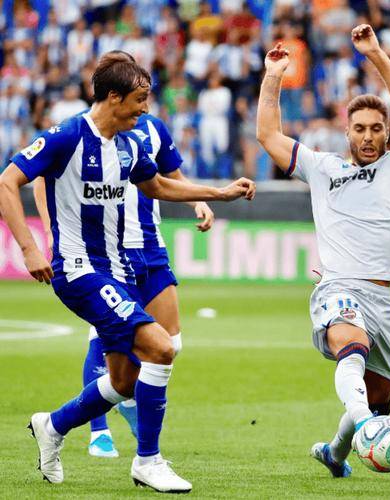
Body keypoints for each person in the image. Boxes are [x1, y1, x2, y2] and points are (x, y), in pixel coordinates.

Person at [0, 55, 255, 493]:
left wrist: (218, 192)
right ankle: (148, 461)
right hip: (79, 270)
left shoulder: (130, 142)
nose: (145, 108)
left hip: (121, 270)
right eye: (139, 99)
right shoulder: (66, 136)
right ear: (114, 97)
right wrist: (29, 247)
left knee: (123, 381)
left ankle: (52, 425)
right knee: (161, 347)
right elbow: (7, 182)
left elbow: (157, 185)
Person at [256, 25, 390, 478]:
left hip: (382, 298)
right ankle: (366, 426)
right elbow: (268, 135)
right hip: (338, 287)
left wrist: (374, 53)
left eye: (376, 129)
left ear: (387, 133)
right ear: (346, 131)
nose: (368, 136)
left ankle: (335, 452)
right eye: (359, 129)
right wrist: (273, 77)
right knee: (352, 347)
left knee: (380, 398)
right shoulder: (322, 168)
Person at [34, 50, 216, 460]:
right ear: (112, 91)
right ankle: (105, 433)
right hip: (103, 251)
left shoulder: (146, 130)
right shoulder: (79, 132)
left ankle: (101, 409)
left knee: (168, 344)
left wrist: (202, 199)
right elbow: (38, 179)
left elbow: (166, 178)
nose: (143, 103)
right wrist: (47, 233)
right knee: (118, 336)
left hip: (149, 245)